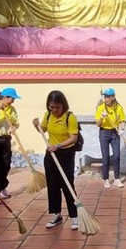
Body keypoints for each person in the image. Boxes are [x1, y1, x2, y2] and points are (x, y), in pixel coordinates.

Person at [32, 90, 80, 230]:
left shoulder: (70, 117)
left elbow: (73, 137)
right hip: (51, 155)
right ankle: (56, 215)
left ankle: (75, 216)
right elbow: (44, 129)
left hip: (65, 154)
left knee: (67, 184)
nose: (54, 110)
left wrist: (58, 145)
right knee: (52, 185)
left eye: (56, 107)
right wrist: (37, 125)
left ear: (63, 105)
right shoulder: (48, 115)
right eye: (51, 107)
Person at [95, 88, 126, 189]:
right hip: (104, 132)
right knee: (105, 157)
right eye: (105, 96)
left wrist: (121, 129)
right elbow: (98, 124)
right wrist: (102, 117)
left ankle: (117, 179)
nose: (106, 98)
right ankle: (106, 179)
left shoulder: (119, 108)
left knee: (116, 156)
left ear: (113, 97)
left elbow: (123, 120)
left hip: (115, 132)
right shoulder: (101, 107)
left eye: (108, 96)